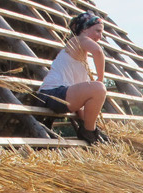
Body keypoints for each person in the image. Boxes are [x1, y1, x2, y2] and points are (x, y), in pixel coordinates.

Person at [37, 11, 109, 145]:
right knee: (99, 88)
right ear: (85, 29)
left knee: (95, 90)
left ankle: (89, 131)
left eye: (101, 33)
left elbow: (81, 102)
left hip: (59, 96)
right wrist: (100, 78)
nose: (100, 36)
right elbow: (98, 52)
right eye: (97, 31)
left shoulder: (81, 57)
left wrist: (86, 124)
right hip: (51, 95)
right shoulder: (78, 40)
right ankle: (89, 131)